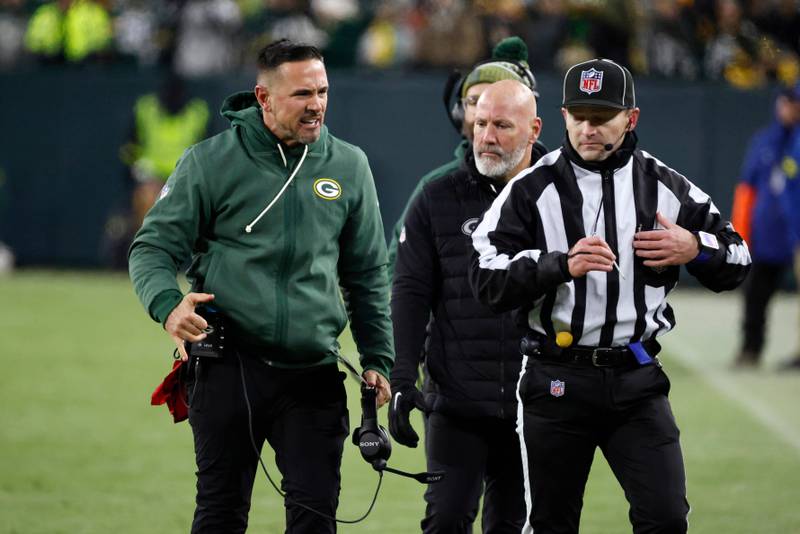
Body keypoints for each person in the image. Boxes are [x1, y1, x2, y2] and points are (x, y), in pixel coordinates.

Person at [469, 58, 751, 533]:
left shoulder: (665, 186)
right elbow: (484, 277)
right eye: (578, 117)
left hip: (636, 380)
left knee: (665, 519)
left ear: (630, 118)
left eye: (601, 118)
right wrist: (559, 263)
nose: (588, 129)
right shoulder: (529, 190)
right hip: (555, 381)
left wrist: (693, 248)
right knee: (551, 524)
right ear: (562, 116)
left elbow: (738, 257)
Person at [128, 40, 393, 533]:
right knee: (221, 515)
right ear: (264, 98)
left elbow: (367, 274)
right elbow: (152, 248)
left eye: (323, 91)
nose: (316, 104)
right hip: (229, 367)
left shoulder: (349, 165)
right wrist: (168, 305)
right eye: (301, 94)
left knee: (315, 520)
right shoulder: (210, 162)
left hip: (313, 374)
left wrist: (378, 358)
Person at [390, 79, 545, 533]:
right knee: (445, 521)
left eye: (501, 125)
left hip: (535, 403)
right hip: (456, 403)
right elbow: (410, 290)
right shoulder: (437, 197)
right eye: (479, 124)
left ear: (534, 130)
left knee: (515, 525)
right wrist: (403, 374)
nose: (487, 136)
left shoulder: (559, 198)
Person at [387, 36, 540, 273]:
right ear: (460, 111)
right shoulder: (434, 188)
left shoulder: (556, 182)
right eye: (475, 101)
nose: (486, 110)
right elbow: (398, 278)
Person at [731, 83, 800, 368]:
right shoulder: (764, 141)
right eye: (786, 102)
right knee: (755, 295)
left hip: (795, 234)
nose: (789, 108)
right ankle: (750, 349)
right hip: (766, 234)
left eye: (794, 103)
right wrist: (740, 231)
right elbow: (746, 189)